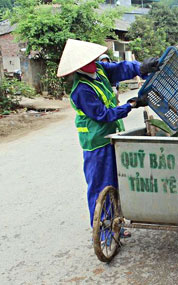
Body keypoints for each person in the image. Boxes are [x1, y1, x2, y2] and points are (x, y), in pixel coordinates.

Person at [57, 39, 160, 237]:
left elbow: (120, 69)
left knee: (114, 182)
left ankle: (116, 225)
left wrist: (140, 67)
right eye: (90, 59)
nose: (94, 61)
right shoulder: (82, 90)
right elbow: (103, 115)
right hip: (96, 143)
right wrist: (130, 105)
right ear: (79, 66)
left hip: (112, 136)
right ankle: (103, 231)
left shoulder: (99, 70)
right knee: (100, 186)